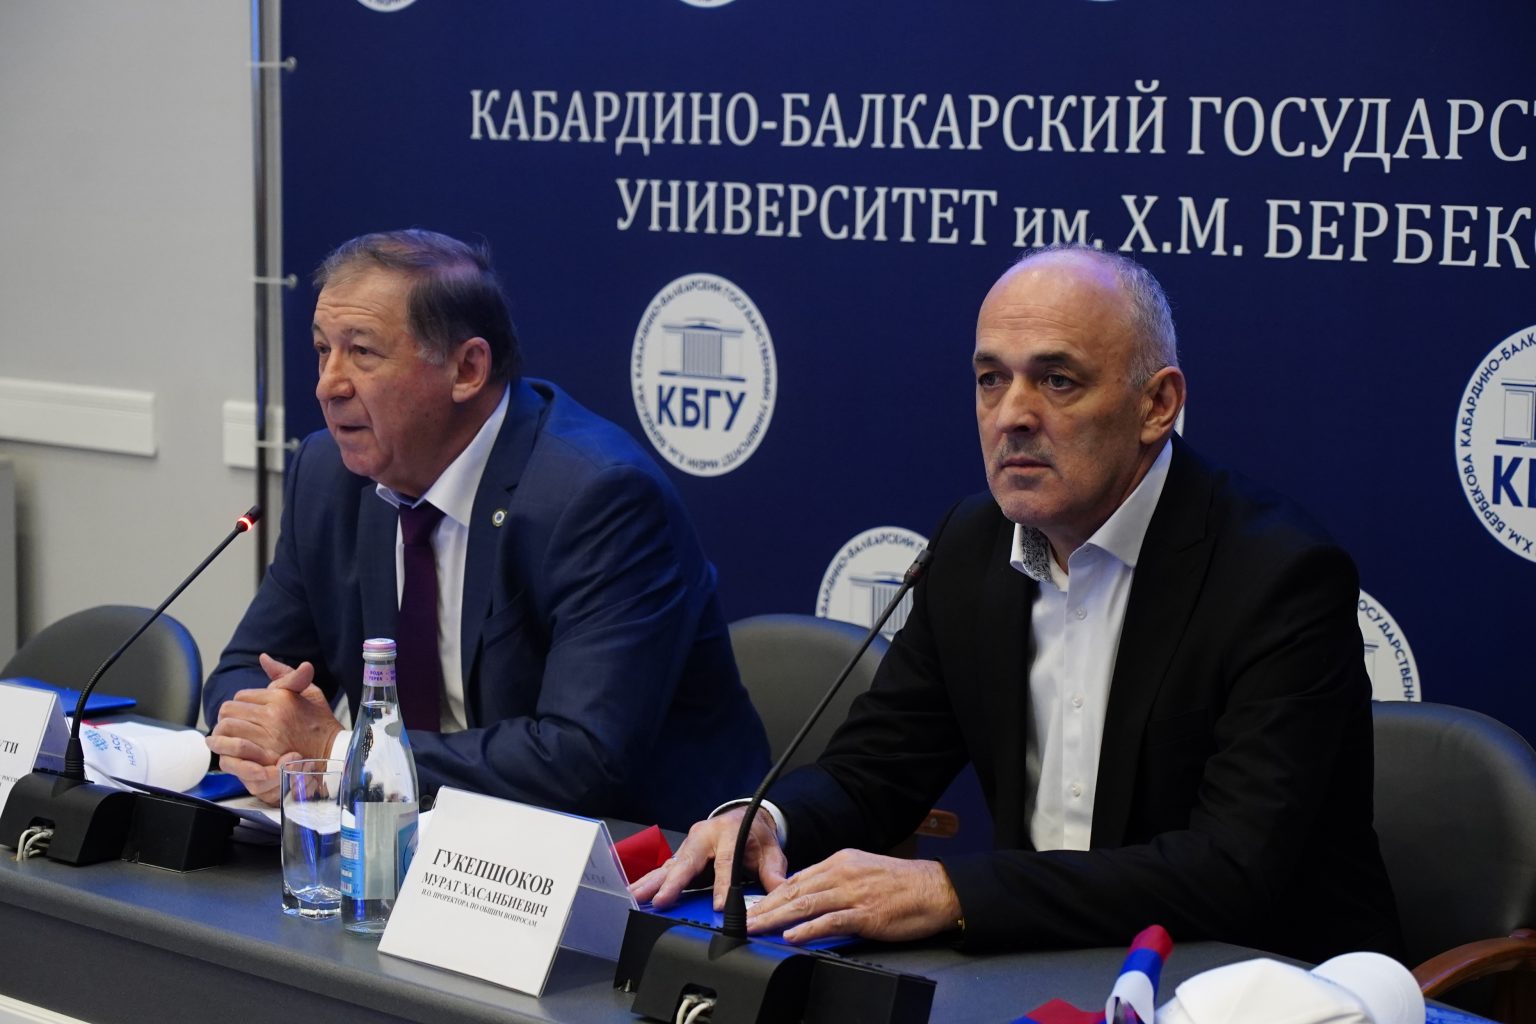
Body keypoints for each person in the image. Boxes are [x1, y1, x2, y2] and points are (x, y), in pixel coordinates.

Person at [633, 245, 1404, 963]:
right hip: (1036, 967)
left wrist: (953, 893)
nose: (1011, 415)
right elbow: (877, 769)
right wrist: (769, 820)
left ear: (1157, 404)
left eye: (1057, 380)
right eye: (990, 379)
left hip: (1247, 981)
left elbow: (1230, 871)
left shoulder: (1276, 576)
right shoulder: (972, 546)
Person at [203, 229, 769, 831]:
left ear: (468, 368)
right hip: (421, 840)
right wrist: (271, 739)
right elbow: (243, 671)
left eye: (362, 352)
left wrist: (341, 754)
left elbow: (583, 759)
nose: (328, 384)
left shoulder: (596, 496)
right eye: (323, 349)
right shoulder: (328, 474)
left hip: (647, 857)